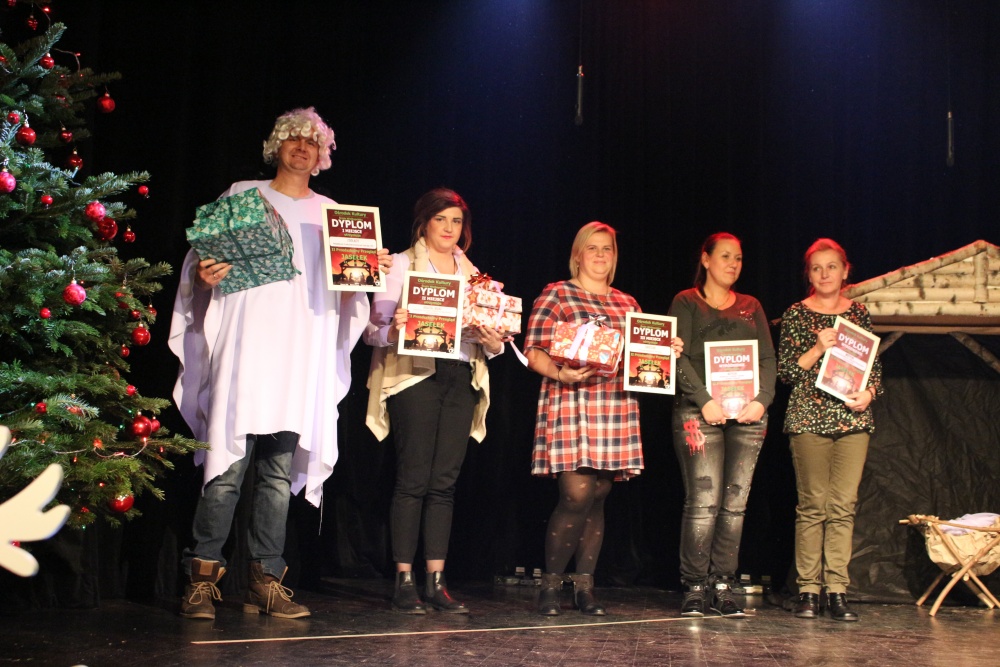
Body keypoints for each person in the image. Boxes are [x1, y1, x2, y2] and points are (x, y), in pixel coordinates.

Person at [169, 107, 389, 620]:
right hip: (246, 351)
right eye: (293, 138)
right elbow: (201, 267)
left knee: (276, 472)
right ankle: (201, 579)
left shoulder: (334, 215)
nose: (302, 147)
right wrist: (201, 279)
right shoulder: (242, 195)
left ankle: (265, 580)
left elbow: (349, 300)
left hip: (299, 356)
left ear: (322, 155)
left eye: (312, 142)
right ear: (277, 145)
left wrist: (365, 273)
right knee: (226, 467)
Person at [525, 221, 682, 616]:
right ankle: (550, 585)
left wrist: (666, 350)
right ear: (578, 255)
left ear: (614, 257)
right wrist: (560, 373)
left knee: (597, 496)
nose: (600, 255)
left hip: (614, 403)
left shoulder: (627, 304)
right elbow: (534, 351)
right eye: (592, 248)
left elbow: (641, 357)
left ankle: (584, 588)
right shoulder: (557, 294)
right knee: (576, 494)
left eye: (607, 249)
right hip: (571, 399)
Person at [365, 188, 505, 614]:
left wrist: (493, 339)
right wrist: (395, 328)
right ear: (424, 222)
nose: (449, 228)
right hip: (415, 376)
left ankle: (436, 581)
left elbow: (495, 341)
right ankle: (404, 580)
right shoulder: (401, 265)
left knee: (444, 483)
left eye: (456, 221)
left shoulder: (474, 274)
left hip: (460, 377)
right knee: (413, 479)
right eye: (441, 219)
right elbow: (372, 331)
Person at [668, 232, 776, 618]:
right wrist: (705, 400)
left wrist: (761, 401)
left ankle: (723, 584)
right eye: (725, 256)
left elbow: (767, 359)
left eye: (739, 258)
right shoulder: (686, 301)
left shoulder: (751, 306)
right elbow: (676, 356)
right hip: (698, 414)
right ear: (706, 259)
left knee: (734, 504)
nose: (733, 264)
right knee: (703, 501)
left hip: (747, 415)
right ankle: (695, 585)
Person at [777, 238, 882, 622]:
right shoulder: (796, 314)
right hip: (809, 420)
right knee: (812, 506)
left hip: (852, 421)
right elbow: (786, 372)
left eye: (832, 266)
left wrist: (869, 393)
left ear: (845, 270)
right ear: (808, 273)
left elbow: (874, 367)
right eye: (817, 268)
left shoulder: (858, 313)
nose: (825, 274)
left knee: (842, 506)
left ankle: (837, 590)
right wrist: (818, 347)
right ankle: (808, 589)